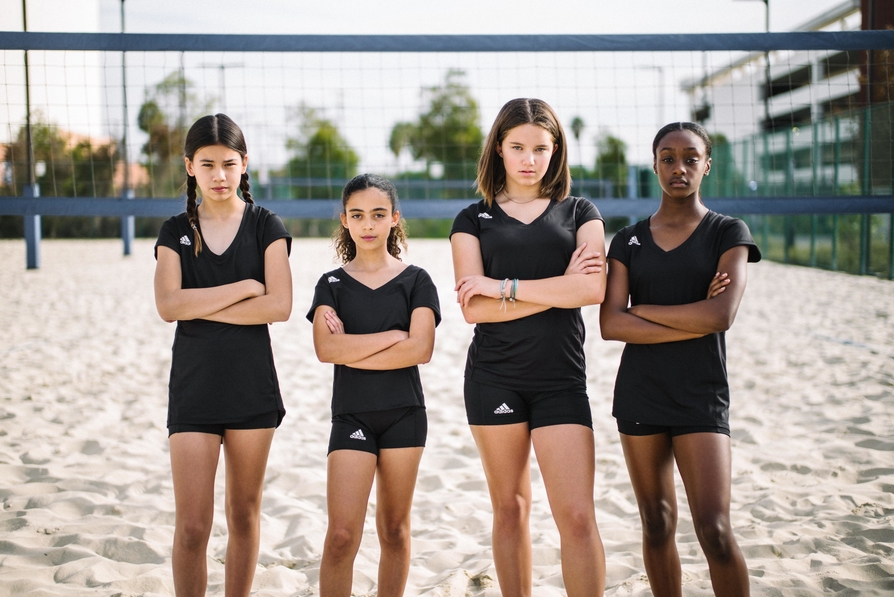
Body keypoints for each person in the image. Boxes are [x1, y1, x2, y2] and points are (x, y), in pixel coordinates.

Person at [450, 98, 607, 597]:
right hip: (494, 376)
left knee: (578, 516)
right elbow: (473, 308)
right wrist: (556, 287)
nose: (529, 159)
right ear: (499, 149)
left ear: (555, 150)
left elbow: (592, 291)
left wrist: (505, 287)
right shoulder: (472, 219)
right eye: (517, 147)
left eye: (540, 148)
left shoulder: (580, 212)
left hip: (561, 379)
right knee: (511, 508)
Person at [599, 122, 761, 597]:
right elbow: (610, 325)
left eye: (691, 158)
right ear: (654, 165)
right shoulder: (627, 239)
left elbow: (720, 315)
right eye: (668, 158)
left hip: (701, 393)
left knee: (714, 528)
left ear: (707, 165)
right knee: (656, 522)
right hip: (640, 392)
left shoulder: (727, 232)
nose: (679, 167)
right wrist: (689, 315)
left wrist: (644, 311)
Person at [153, 114, 292, 597]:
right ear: (189, 166)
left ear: (244, 164)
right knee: (192, 525)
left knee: (242, 513)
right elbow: (169, 306)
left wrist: (206, 307)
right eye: (207, 164)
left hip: (251, 386)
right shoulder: (175, 231)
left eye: (228, 164)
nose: (218, 175)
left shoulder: (265, 225)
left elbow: (280, 305)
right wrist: (242, 290)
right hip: (194, 389)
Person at [307, 173, 440, 597]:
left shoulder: (417, 280)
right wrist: (390, 336)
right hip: (352, 415)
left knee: (395, 532)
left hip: (405, 415)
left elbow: (420, 350)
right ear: (344, 220)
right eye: (358, 215)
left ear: (395, 220)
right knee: (342, 535)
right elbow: (327, 351)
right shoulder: (330, 284)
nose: (368, 224)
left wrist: (353, 345)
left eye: (378, 215)